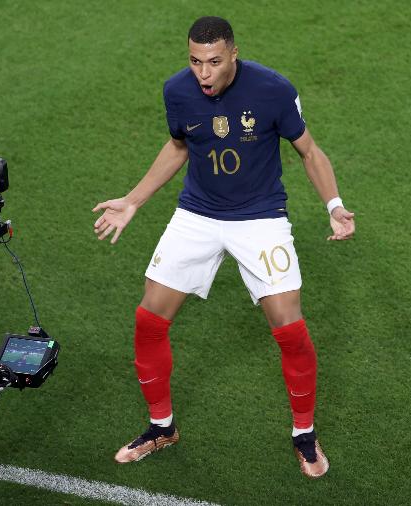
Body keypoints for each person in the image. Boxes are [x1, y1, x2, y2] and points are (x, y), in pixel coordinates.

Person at [92, 16, 355, 478]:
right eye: (195, 62)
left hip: (260, 219)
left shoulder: (273, 90)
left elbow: (309, 152)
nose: (203, 73)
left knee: (290, 327)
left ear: (234, 53)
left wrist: (334, 206)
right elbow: (179, 147)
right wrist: (133, 201)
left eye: (213, 62)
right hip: (198, 214)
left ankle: (305, 435)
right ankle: (161, 427)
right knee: (149, 319)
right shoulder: (178, 90)